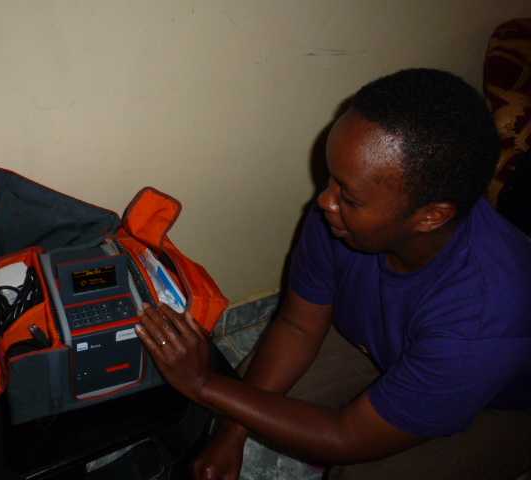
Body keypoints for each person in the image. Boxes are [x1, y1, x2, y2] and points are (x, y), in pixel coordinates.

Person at [135, 68, 531, 479]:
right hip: (393, 348)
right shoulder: (340, 214)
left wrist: (203, 383)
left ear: (430, 216)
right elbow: (296, 326)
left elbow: (346, 436)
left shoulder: (486, 320)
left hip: (497, 405)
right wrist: (230, 434)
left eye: (349, 196)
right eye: (332, 180)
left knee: (353, 470)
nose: (325, 201)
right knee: (264, 396)